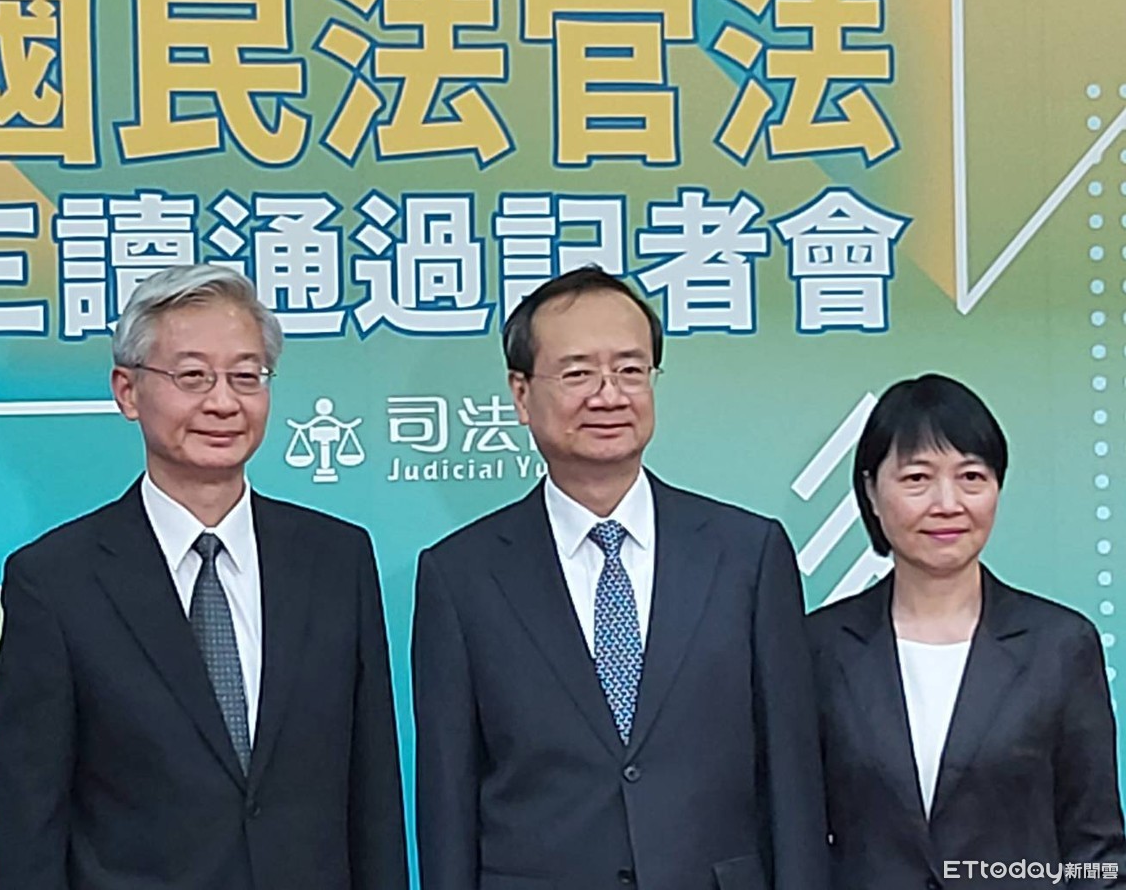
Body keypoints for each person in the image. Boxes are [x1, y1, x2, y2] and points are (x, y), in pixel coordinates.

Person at [0, 265, 407, 890]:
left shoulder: (337, 559)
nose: (223, 403)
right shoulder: (55, 582)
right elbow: (28, 825)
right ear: (128, 391)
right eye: (192, 377)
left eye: (246, 376)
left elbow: (373, 796)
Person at [412, 267, 829, 890]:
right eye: (578, 373)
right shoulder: (460, 575)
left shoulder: (747, 554)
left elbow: (793, 781)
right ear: (521, 394)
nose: (609, 395)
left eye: (631, 370)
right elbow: (447, 799)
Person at [808, 373, 1126, 889]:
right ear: (871, 491)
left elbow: (1097, 854)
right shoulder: (817, 647)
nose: (947, 503)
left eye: (971, 477)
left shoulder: (1060, 646)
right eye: (917, 478)